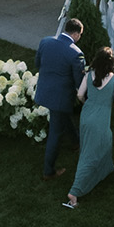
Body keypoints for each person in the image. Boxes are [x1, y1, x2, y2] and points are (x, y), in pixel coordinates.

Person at [64, 45, 114, 207]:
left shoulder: (89, 75)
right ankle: (74, 192)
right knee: (88, 156)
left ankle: (107, 168)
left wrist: (88, 103)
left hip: (86, 116)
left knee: (106, 139)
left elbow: (80, 94)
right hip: (99, 121)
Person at [34, 15, 86, 179]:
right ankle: (48, 171)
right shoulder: (76, 53)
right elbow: (79, 81)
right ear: (76, 34)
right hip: (60, 98)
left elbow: (37, 64)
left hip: (44, 91)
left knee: (63, 117)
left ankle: (76, 142)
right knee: (55, 134)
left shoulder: (46, 41)